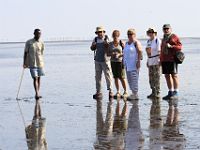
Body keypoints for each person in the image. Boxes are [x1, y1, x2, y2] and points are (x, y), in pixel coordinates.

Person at [90, 26, 113, 99]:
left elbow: (111, 48)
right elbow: (91, 48)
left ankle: (111, 91)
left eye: (100, 32)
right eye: (98, 32)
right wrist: (93, 46)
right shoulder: (95, 39)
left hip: (106, 60)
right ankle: (98, 91)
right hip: (97, 60)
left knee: (108, 76)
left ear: (103, 32)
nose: (99, 33)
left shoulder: (107, 38)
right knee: (97, 77)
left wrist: (107, 44)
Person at [161, 24, 182, 100]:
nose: (166, 30)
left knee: (174, 75)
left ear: (170, 29)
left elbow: (180, 47)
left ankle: (176, 92)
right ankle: (170, 92)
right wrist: (161, 60)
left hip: (172, 59)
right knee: (167, 76)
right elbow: (162, 50)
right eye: (164, 29)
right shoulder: (163, 38)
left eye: (167, 29)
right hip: (165, 59)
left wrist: (172, 46)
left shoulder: (174, 36)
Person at [23, 29, 45, 100]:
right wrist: (24, 63)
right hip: (32, 63)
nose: (39, 35)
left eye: (40, 34)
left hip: (40, 63)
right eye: (37, 34)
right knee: (35, 78)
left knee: (39, 78)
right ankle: (37, 93)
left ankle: (37, 92)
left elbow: (41, 53)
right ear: (34, 34)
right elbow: (26, 53)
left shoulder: (41, 42)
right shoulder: (29, 42)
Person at [123, 29, 142, 100]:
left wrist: (138, 61)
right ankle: (133, 93)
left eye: (131, 34)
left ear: (134, 34)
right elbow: (125, 53)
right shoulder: (126, 43)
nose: (130, 36)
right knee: (129, 79)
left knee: (134, 79)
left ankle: (135, 94)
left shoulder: (136, 42)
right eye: (128, 34)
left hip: (134, 64)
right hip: (127, 64)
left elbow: (140, 51)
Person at [108, 30, 128, 99]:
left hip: (120, 62)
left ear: (118, 36)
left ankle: (125, 91)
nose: (115, 37)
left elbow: (126, 52)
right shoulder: (110, 44)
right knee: (115, 77)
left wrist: (120, 55)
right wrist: (112, 54)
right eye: (114, 36)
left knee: (122, 77)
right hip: (113, 62)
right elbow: (107, 53)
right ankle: (118, 91)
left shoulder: (121, 43)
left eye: (116, 36)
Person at [146, 28, 161, 99]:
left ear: (155, 33)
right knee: (151, 78)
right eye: (149, 32)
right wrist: (147, 61)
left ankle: (157, 92)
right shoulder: (148, 41)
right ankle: (153, 92)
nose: (150, 33)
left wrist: (159, 60)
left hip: (156, 61)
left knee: (156, 77)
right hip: (150, 61)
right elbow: (148, 52)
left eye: (152, 32)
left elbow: (159, 51)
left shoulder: (157, 40)